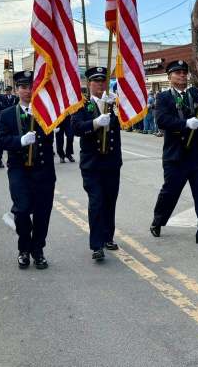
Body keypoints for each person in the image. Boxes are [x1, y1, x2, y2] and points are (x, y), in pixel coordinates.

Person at [150, 60, 198, 247]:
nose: (181, 75)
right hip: (176, 156)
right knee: (170, 193)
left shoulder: (196, 93)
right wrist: (185, 124)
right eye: (177, 73)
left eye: (184, 72)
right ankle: (158, 220)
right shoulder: (163, 97)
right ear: (169, 77)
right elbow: (162, 120)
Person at [0, 70, 56, 270]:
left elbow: (54, 136)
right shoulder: (7, 115)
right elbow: (2, 140)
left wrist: (48, 123)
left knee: (42, 212)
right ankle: (24, 248)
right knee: (21, 210)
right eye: (23, 87)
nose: (28, 91)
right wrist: (20, 141)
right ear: (16, 90)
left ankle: (38, 250)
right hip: (19, 170)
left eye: (31, 86)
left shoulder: (46, 112)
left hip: (43, 170)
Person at [71, 67, 120, 262]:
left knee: (110, 202)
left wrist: (115, 110)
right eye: (96, 81)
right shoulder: (81, 105)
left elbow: (125, 123)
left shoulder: (112, 103)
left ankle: (108, 236)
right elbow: (75, 128)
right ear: (89, 84)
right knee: (97, 202)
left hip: (111, 162)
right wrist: (95, 123)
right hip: (92, 164)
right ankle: (97, 245)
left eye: (103, 81)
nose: (100, 85)